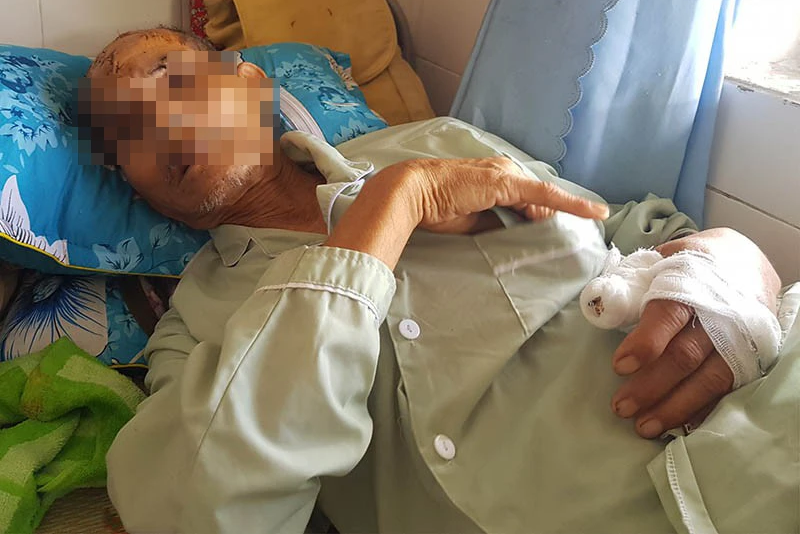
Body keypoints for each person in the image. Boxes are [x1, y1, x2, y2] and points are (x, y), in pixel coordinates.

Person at [84, 28, 787, 533]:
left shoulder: (439, 140)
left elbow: (639, 229)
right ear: (132, 185)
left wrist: (731, 270)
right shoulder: (193, 329)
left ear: (250, 83)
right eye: (125, 132)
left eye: (173, 79)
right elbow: (199, 510)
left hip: (770, 403)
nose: (159, 121)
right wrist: (394, 207)